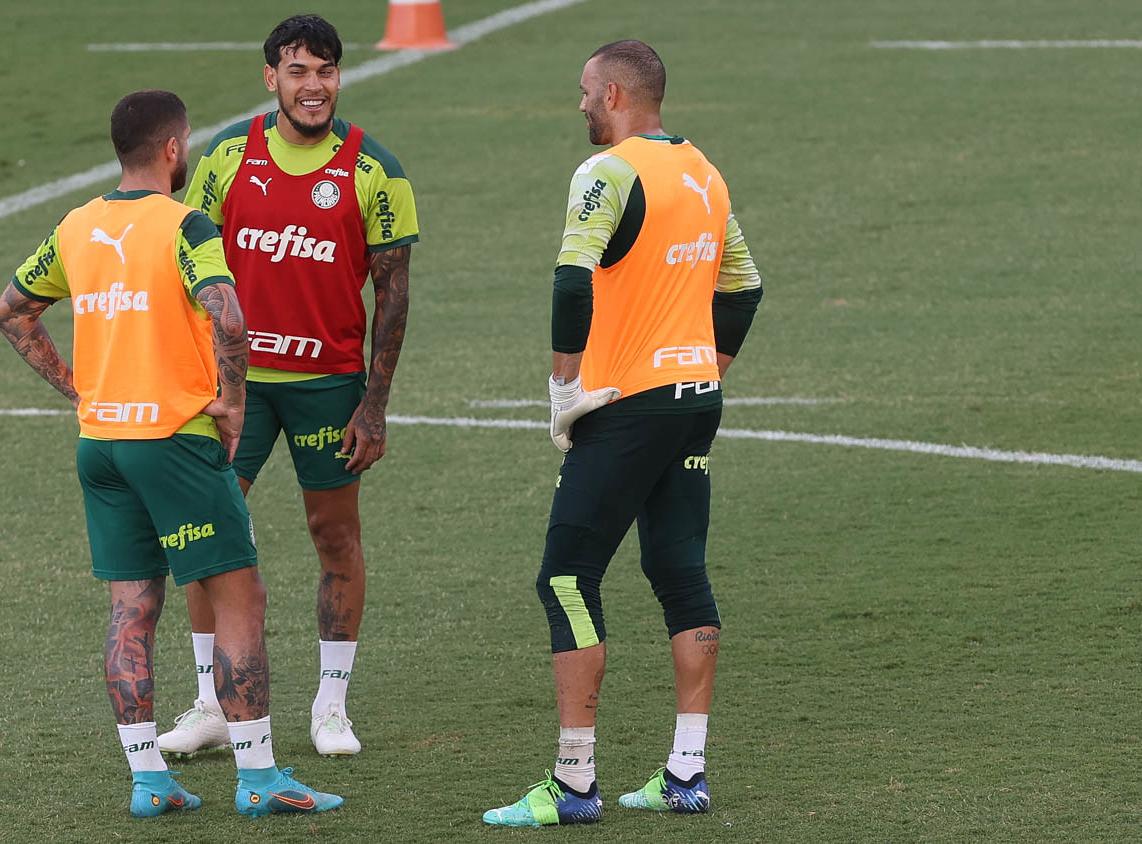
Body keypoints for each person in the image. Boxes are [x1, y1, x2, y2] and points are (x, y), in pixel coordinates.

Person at [0, 89, 342, 818]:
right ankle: (260, 778)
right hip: (174, 443)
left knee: (131, 609)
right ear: (174, 148)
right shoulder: (186, 224)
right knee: (241, 600)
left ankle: (149, 780)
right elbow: (230, 316)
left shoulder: (76, 225)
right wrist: (234, 401)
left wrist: (78, 388)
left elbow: (12, 311)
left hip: (103, 446)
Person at [482, 40, 764, 827]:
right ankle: (686, 774)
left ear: (613, 94)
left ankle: (574, 784)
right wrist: (705, 372)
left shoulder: (606, 173)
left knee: (567, 578)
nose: (577, 105)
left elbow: (573, 276)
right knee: (681, 574)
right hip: (693, 399)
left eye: (582, 92)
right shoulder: (703, 172)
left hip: (626, 404)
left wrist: (563, 387)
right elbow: (744, 285)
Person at [158, 14, 418, 759]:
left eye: (326, 71)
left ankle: (330, 706)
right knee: (208, 537)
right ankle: (209, 703)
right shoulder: (226, 157)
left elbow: (392, 294)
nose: (315, 86)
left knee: (334, 534)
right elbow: (183, 266)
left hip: (327, 387)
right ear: (271, 77)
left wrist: (374, 403)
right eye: (299, 71)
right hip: (232, 391)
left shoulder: (376, 169)